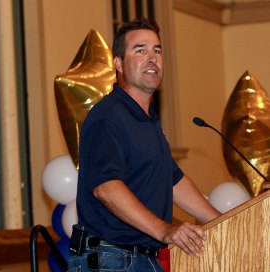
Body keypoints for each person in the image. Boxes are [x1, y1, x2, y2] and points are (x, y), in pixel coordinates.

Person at [67, 19, 221, 271]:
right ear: (118, 63)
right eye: (140, 50)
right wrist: (165, 230)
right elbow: (106, 188)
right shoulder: (108, 116)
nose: (152, 58)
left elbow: (174, 182)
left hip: (141, 259)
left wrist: (224, 222)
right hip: (111, 260)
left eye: (157, 50)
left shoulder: (147, 121)